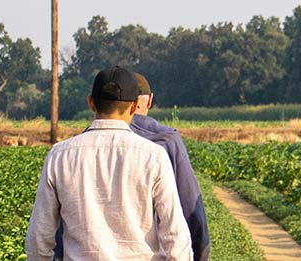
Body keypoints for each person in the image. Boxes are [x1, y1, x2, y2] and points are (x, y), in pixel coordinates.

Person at [26, 66, 192, 260]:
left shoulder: (60, 156)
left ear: (91, 103)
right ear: (133, 107)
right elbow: (176, 237)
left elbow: (39, 237)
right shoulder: (153, 156)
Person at [130, 73, 212, 260]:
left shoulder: (80, 145)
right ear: (149, 101)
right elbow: (190, 207)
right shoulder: (166, 141)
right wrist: (200, 254)